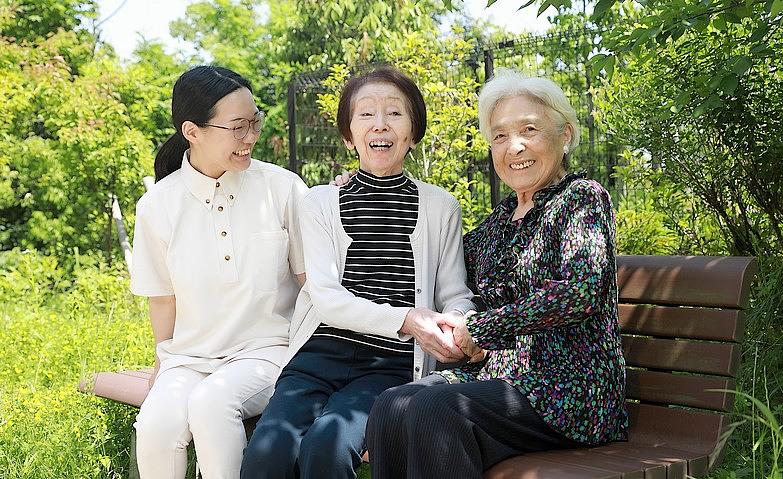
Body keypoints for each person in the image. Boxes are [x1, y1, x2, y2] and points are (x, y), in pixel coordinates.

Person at [365, 68, 629, 479]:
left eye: (529, 129)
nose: (515, 146)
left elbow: (582, 291)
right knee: (392, 405)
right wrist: (361, 187)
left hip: (570, 391)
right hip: (503, 380)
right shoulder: (502, 220)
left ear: (565, 135)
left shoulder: (581, 198)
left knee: (435, 411)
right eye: (501, 136)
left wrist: (482, 329)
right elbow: (432, 262)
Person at [240, 66, 475, 479]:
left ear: (413, 131)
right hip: (319, 355)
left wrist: (458, 322)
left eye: (395, 113)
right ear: (349, 135)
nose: (380, 124)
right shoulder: (319, 204)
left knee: (327, 449)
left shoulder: (441, 206)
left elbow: (455, 293)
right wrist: (407, 318)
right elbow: (326, 297)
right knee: (266, 455)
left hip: (393, 364)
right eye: (365, 114)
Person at [130, 65, 308, 479]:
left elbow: (311, 283)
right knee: (156, 427)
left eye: (255, 122)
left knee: (213, 404)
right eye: (237, 127)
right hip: (190, 358)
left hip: (270, 350)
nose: (251, 137)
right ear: (192, 131)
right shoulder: (157, 205)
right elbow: (163, 297)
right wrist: (164, 361)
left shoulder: (282, 189)